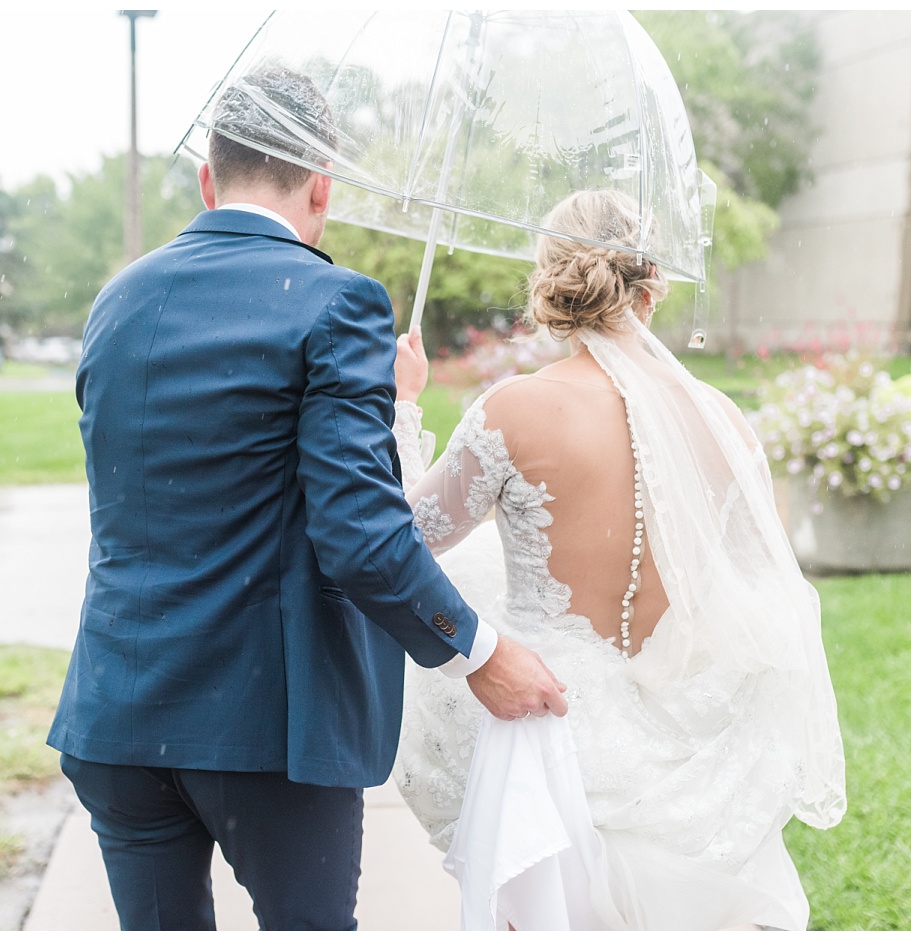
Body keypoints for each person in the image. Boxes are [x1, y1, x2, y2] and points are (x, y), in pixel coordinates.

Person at [45, 67, 567, 931]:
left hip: (118, 716)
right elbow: (359, 534)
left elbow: (208, 468)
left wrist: (385, 405)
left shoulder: (119, 300)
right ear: (322, 188)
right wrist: (479, 652)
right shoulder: (339, 304)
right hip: (266, 733)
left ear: (209, 179)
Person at [389, 189, 847, 930]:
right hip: (680, 742)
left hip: (547, 725)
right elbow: (756, 587)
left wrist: (403, 408)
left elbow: (407, 540)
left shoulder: (517, 410)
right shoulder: (723, 421)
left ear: (549, 282)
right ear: (654, 283)